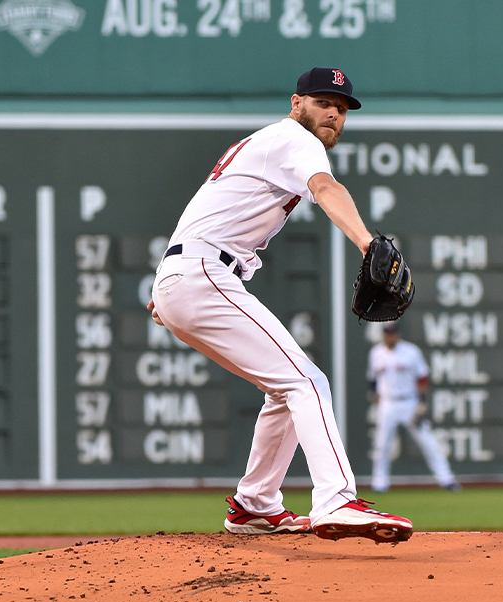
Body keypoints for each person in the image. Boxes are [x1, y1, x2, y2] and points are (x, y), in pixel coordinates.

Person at [146, 67, 414, 543]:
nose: (333, 112)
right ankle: (336, 499)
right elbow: (328, 189)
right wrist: (368, 245)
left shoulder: (267, 143)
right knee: (307, 381)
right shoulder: (294, 138)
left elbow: (209, 208)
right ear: (296, 104)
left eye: (343, 108)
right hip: (201, 274)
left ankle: (255, 505)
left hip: (187, 277)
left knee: (284, 389)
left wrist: (167, 288)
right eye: (322, 101)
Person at [368, 322, 461, 493]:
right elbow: (372, 379)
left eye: (393, 333)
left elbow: (423, 377)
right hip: (388, 404)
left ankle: (446, 479)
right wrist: (374, 396)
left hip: (409, 402)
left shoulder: (411, 352)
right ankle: (379, 483)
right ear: (383, 336)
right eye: (388, 334)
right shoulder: (376, 353)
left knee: (428, 443)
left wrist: (422, 402)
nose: (391, 337)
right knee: (382, 445)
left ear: (398, 335)